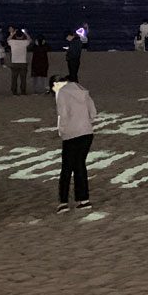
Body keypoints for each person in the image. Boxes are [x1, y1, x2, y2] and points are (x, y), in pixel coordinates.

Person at [52, 76, 97, 213]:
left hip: (71, 134)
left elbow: (63, 114)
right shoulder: (82, 91)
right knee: (80, 165)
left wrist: (62, 131)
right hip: (86, 132)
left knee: (66, 168)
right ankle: (83, 199)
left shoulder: (62, 93)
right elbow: (93, 112)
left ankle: (63, 202)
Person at [8, 29, 30, 95]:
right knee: (23, 78)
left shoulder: (12, 42)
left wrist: (12, 33)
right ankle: (23, 91)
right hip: (23, 62)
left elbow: (8, 39)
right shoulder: (24, 42)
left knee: (14, 78)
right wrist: (25, 33)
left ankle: (14, 91)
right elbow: (30, 39)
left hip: (14, 62)